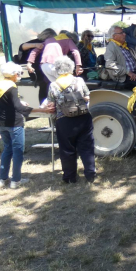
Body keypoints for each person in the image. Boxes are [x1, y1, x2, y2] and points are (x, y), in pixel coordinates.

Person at [0, 62, 52, 188]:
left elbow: (5, 102)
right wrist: (41, 110)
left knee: (7, 150)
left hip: (1, 123)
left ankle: (2, 179)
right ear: (14, 74)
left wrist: (19, 101)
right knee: (17, 152)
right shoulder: (12, 87)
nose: (20, 75)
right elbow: (19, 108)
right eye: (19, 73)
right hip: (14, 124)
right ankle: (16, 181)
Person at [45, 56, 95, 184]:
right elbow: (88, 97)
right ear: (71, 68)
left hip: (64, 119)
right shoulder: (79, 81)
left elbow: (51, 105)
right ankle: (90, 174)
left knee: (67, 149)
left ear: (57, 69)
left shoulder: (53, 85)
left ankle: (70, 177)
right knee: (86, 147)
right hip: (83, 117)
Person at [17, 28, 57, 102]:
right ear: (48, 36)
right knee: (44, 86)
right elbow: (22, 46)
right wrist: (36, 45)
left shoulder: (52, 44)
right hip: (36, 71)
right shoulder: (36, 42)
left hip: (46, 70)